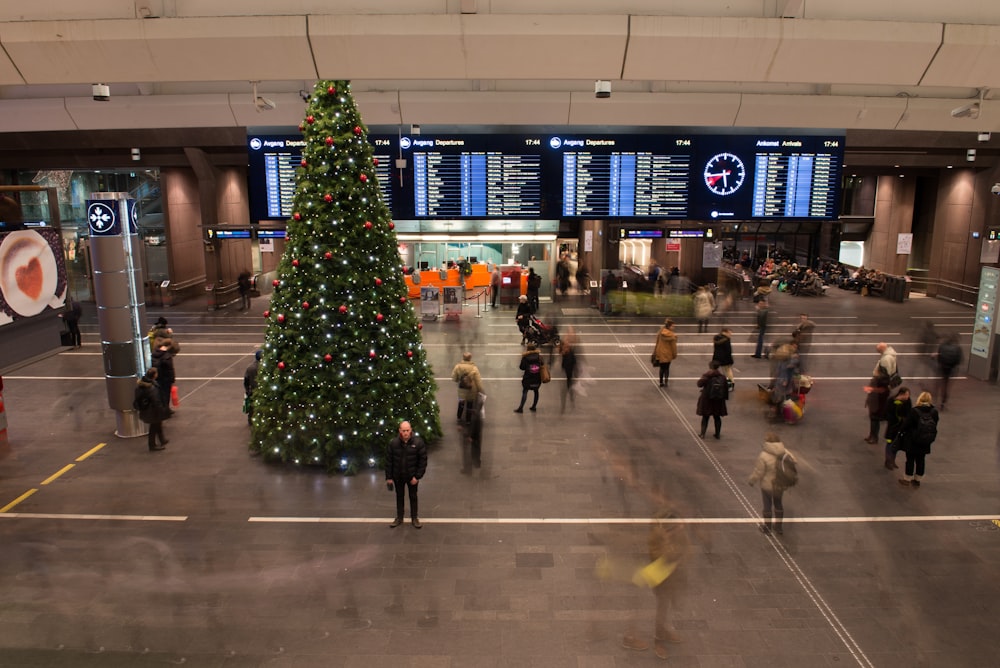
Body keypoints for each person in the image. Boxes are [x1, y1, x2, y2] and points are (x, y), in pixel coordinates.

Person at [747, 432, 795, 535]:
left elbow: (759, 472)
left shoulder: (763, 455)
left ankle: (767, 528)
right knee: (778, 504)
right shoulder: (784, 452)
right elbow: (793, 462)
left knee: (767, 505)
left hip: (767, 485)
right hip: (780, 484)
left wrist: (752, 480)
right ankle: (778, 527)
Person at [385, 421, 428, 528]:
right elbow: (389, 461)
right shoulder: (393, 443)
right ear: (400, 431)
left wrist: (417, 476)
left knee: (413, 497)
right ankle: (399, 518)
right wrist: (389, 477)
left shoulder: (418, 443)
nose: (405, 433)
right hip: (398, 477)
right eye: (403, 430)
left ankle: (414, 518)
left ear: (411, 430)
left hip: (412, 477)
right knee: (399, 497)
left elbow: (423, 462)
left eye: (407, 430)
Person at [898, 391, 939, 487]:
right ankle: (917, 480)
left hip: (913, 440)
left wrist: (901, 432)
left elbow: (906, 425)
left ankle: (907, 478)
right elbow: (935, 424)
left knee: (910, 459)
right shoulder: (934, 412)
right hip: (925, 440)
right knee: (921, 459)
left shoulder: (914, 411)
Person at [864, 342, 898, 444]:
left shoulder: (886, 359)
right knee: (877, 412)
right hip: (882, 389)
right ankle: (872, 435)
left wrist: (874, 387)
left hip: (880, 389)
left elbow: (884, 376)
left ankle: (874, 436)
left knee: (875, 412)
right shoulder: (890, 356)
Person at [133, 367, 167, 451]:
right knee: (154, 427)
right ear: (154, 375)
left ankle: (162, 439)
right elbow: (156, 400)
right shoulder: (151, 388)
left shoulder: (141, 385)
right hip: (152, 411)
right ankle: (152, 445)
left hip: (147, 409)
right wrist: (162, 410)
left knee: (157, 424)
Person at [696, 360, 729, 439]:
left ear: (710, 367)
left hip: (707, 399)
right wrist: (724, 398)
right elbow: (726, 389)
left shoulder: (707, 376)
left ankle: (702, 434)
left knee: (705, 417)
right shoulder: (722, 377)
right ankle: (717, 434)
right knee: (717, 417)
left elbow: (699, 384)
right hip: (718, 400)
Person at [450, 352, 483, 424]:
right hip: (471, 390)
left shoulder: (458, 366)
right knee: (470, 404)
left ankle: (459, 417)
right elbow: (478, 380)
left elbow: (454, 378)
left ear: (463, 358)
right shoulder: (474, 368)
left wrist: (459, 380)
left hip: (461, 389)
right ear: (470, 358)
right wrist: (480, 390)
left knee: (461, 403)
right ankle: (468, 420)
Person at [883, 386, 911, 470]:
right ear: (901, 394)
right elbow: (887, 413)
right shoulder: (891, 401)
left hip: (900, 428)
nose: (907, 397)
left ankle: (892, 460)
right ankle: (888, 461)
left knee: (896, 445)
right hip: (892, 428)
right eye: (906, 395)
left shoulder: (907, 402)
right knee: (890, 444)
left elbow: (908, 413)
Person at [936, 333, 962, 410]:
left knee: (942, 383)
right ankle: (943, 401)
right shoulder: (957, 348)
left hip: (943, 367)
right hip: (951, 369)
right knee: (947, 385)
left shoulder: (942, 346)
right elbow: (958, 360)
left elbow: (939, 357)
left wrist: (940, 364)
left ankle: (937, 398)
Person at [514, 343, 543, 413]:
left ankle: (521, 408)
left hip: (528, 378)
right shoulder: (539, 357)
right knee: (536, 391)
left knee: (525, 391)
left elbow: (522, 367)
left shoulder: (525, 357)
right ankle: (534, 406)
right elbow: (542, 364)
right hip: (537, 377)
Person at [151, 340, 176, 415]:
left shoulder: (154, 353)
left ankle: (160, 409)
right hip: (165, 379)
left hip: (157, 378)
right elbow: (170, 369)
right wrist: (172, 379)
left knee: (158, 394)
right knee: (165, 395)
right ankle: (165, 410)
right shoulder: (167, 356)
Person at [652, 319, 678, 388]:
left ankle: (661, 382)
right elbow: (673, 347)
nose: (674, 327)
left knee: (662, 368)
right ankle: (666, 381)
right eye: (673, 326)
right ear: (669, 326)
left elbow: (657, 342)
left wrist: (655, 351)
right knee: (667, 368)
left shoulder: (660, 332)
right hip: (668, 354)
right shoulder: (672, 336)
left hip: (660, 352)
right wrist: (674, 355)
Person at [559, 327, 578, 412]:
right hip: (568, 371)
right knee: (568, 383)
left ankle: (570, 397)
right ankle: (570, 397)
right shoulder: (566, 353)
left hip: (569, 371)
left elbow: (573, 362)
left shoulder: (569, 354)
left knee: (568, 384)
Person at [243, 349, 262, 425]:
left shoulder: (250, 368)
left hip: (253, 390)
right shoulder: (264, 368)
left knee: (252, 407)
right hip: (261, 389)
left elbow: (246, 380)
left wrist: (247, 390)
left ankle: (251, 421)